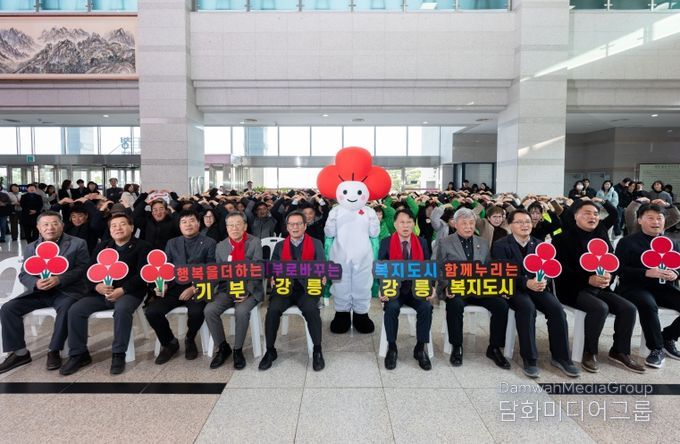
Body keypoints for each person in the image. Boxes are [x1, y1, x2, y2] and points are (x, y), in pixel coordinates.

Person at [553, 200, 645, 374]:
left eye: (595, 214)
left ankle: (619, 351)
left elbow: (612, 261)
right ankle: (590, 352)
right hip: (573, 289)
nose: (592, 217)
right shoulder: (562, 239)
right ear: (575, 216)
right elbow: (561, 270)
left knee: (629, 308)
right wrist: (588, 279)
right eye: (587, 213)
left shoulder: (600, 235)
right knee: (600, 308)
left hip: (600, 287)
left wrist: (609, 275)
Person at [492, 209, 579, 378]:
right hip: (514, 288)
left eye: (527, 221)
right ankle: (530, 359)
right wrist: (525, 282)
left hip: (538, 287)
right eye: (519, 222)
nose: (524, 225)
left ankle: (562, 357)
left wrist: (544, 280)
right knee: (527, 308)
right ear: (510, 225)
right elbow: (501, 272)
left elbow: (550, 267)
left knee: (557, 310)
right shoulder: (501, 245)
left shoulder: (539, 244)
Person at [60, 213, 151, 375]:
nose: (118, 228)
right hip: (101, 292)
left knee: (122, 310)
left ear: (131, 227)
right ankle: (78, 354)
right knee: (75, 310)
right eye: (113, 226)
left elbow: (143, 274)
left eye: (122, 224)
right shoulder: (103, 246)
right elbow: (89, 270)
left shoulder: (143, 246)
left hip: (129, 292)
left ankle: (118, 354)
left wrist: (123, 290)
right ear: (109, 230)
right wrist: (97, 286)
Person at [0, 212, 90, 374]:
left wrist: (59, 279)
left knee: (67, 307)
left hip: (67, 291)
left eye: (55, 223)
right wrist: (35, 283)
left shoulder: (77, 243)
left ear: (62, 225)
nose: (50, 228)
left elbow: (83, 268)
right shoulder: (31, 247)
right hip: (39, 292)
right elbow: (24, 274)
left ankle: (54, 350)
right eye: (45, 224)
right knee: (8, 308)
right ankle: (20, 353)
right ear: (38, 228)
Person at [436, 207, 511, 369]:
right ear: (455, 224)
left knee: (501, 305)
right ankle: (457, 346)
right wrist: (446, 286)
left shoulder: (482, 243)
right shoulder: (445, 242)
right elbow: (439, 268)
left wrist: (499, 287)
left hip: (480, 288)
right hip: (457, 288)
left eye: (471, 223)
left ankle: (494, 348)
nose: (468, 227)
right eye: (464, 223)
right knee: (454, 305)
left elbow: (489, 268)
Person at [144, 210, 216, 364]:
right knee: (152, 311)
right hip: (174, 287)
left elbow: (212, 271)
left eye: (191, 221)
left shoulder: (209, 242)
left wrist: (194, 288)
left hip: (197, 287)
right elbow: (166, 268)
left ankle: (190, 338)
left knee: (197, 312)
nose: (188, 224)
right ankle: (169, 342)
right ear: (179, 225)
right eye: (184, 222)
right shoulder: (172, 243)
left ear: (198, 223)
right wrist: (162, 285)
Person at [259, 211, 325, 371]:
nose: (295, 227)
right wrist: (272, 277)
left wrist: (322, 275)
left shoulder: (316, 243)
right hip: (285, 288)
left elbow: (321, 265)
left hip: (307, 288)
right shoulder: (280, 246)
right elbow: (274, 267)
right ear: (287, 227)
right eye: (291, 224)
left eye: (298, 224)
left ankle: (317, 350)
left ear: (305, 226)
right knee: (272, 310)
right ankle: (270, 350)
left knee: (311, 309)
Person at [615, 204, 680, 368]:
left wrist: (675, 274)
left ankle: (667, 337)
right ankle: (656, 349)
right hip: (634, 287)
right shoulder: (627, 242)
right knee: (648, 305)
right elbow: (619, 270)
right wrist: (646, 272)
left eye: (659, 218)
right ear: (639, 220)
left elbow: (678, 266)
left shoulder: (672, 243)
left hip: (663, 288)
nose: (656, 222)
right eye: (650, 218)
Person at [204, 212, 263, 370]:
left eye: (238, 224)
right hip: (227, 289)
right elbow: (218, 273)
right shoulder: (221, 246)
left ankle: (238, 350)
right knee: (209, 310)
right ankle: (223, 347)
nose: (234, 228)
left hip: (249, 289)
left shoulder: (254, 242)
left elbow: (258, 270)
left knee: (241, 311)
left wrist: (247, 291)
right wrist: (205, 288)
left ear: (245, 226)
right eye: (230, 225)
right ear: (226, 227)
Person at [378, 209, 433, 371]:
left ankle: (420, 348)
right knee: (391, 308)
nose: (406, 226)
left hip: (417, 288)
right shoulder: (386, 242)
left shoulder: (422, 242)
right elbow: (381, 268)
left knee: (426, 307)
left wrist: (431, 287)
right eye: (402, 222)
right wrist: (382, 289)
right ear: (395, 224)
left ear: (414, 224)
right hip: (395, 289)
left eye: (409, 222)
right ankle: (392, 348)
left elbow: (428, 267)